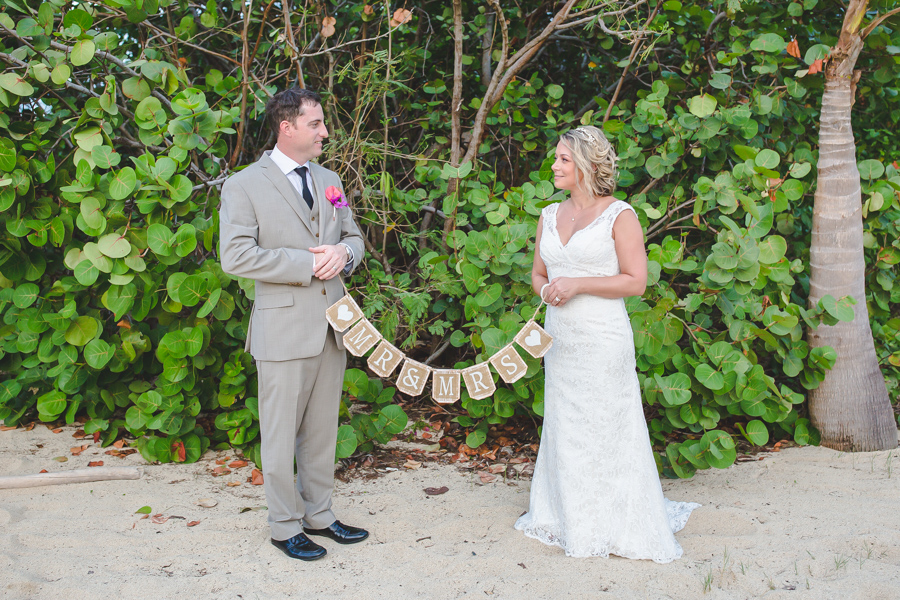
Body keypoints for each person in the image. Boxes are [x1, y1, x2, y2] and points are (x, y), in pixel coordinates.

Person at [514, 126, 699, 562]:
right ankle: (567, 516)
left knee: (606, 424)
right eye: (555, 158)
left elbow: (636, 282)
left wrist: (579, 283)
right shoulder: (548, 215)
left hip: (603, 339)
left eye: (562, 159)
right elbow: (539, 275)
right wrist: (548, 292)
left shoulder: (620, 215)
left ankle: (617, 519)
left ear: (585, 166)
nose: (554, 166)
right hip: (562, 342)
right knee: (568, 426)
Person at [219, 88, 367, 561]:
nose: (325, 132)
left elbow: (352, 236)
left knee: (323, 429)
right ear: (287, 127)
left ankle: (320, 516)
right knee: (281, 434)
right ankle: (284, 526)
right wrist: (306, 261)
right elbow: (235, 255)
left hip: (332, 326)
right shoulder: (243, 185)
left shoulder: (330, 178)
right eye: (316, 124)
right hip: (282, 328)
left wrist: (345, 253)